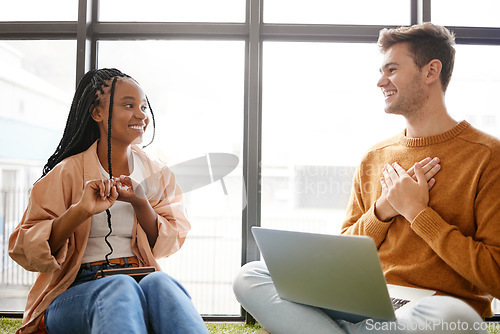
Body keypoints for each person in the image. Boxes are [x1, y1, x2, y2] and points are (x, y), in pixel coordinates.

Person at [233, 22, 500, 334]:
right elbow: (343, 255)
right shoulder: (375, 156)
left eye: (391, 70)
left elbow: (494, 276)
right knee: (250, 275)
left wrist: (417, 212)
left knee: (458, 317)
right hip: (364, 304)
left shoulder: (487, 155)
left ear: (431, 72)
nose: (380, 81)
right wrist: (384, 208)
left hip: (432, 310)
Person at [9, 68, 209, 334]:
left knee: (162, 282)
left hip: (140, 278)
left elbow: (169, 240)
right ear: (97, 113)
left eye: (144, 107)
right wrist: (80, 211)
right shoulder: (66, 173)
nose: (141, 115)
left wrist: (141, 203)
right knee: (120, 287)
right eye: (129, 105)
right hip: (74, 291)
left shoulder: (157, 173)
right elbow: (25, 249)